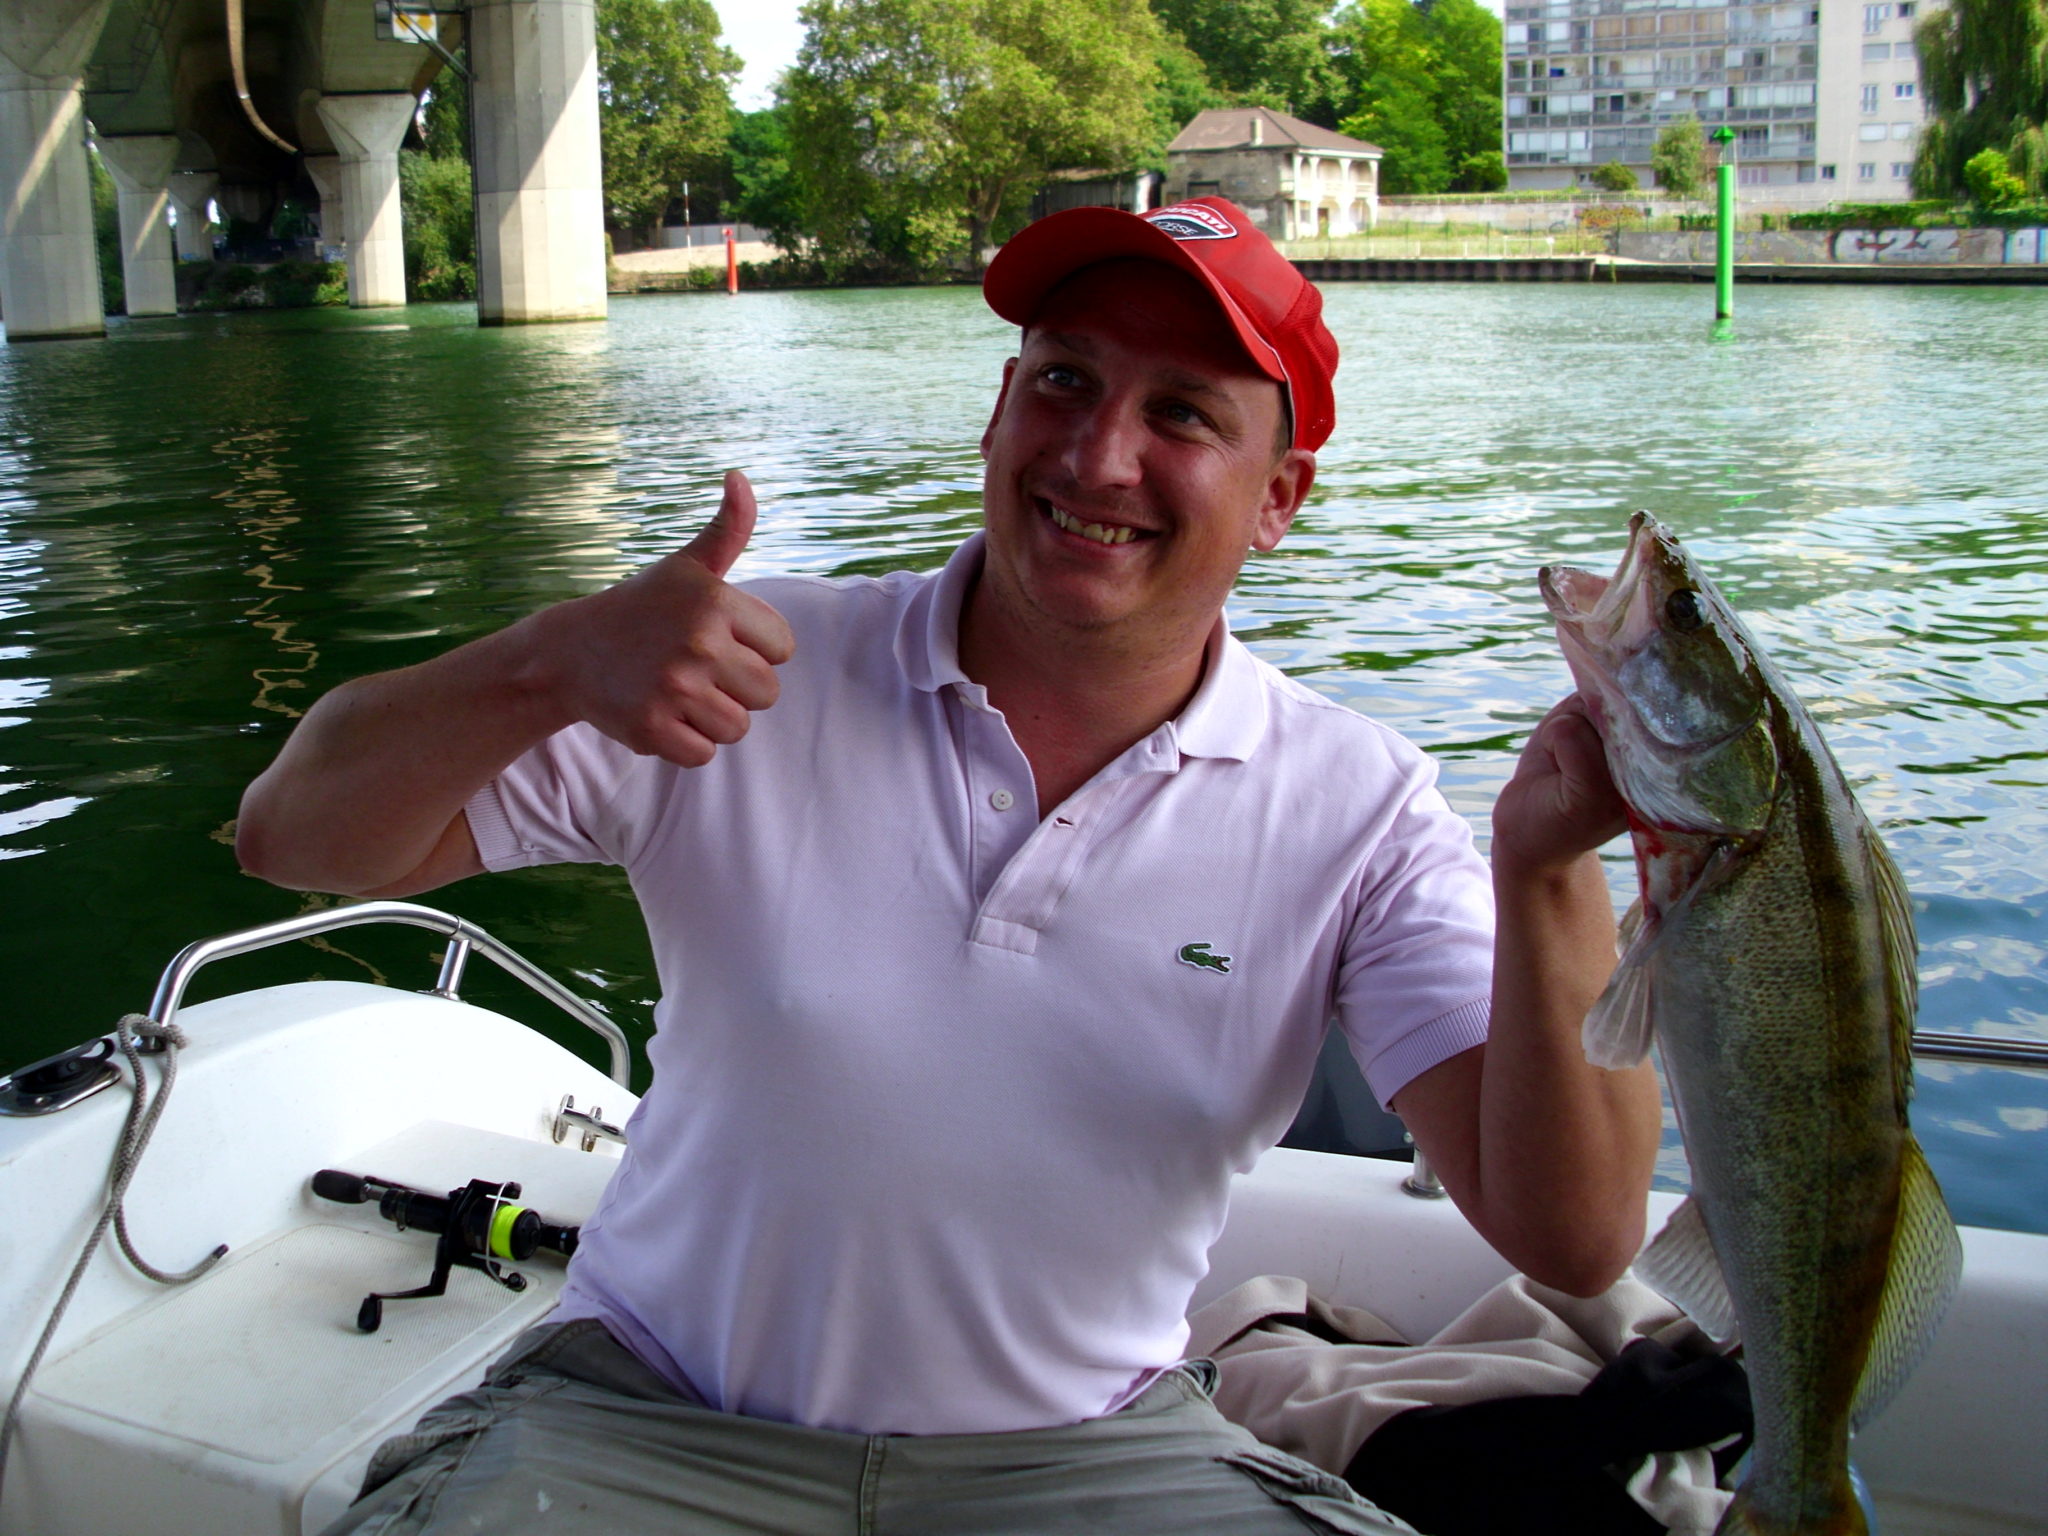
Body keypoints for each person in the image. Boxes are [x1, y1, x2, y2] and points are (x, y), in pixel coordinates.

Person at [238, 197, 1660, 1535]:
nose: (1099, 457)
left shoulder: (1355, 804)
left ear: (1279, 498)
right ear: (998, 408)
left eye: (1180, 414)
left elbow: (1577, 1233)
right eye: (1063, 382)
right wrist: (546, 660)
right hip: (644, 1422)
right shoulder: (737, 668)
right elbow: (290, 837)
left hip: (1087, 1456)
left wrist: (1545, 868)